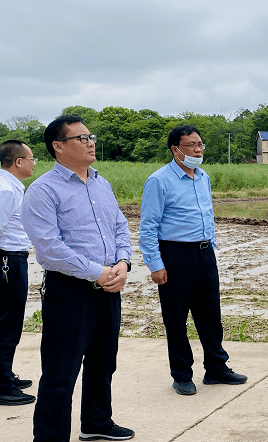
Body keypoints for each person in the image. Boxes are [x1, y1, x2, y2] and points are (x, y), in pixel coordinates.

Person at [22, 116, 135, 440]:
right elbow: (48, 246)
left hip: (109, 284)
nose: (90, 142)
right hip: (69, 289)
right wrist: (96, 272)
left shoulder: (101, 183)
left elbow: (119, 227)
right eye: (81, 138)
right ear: (58, 146)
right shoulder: (43, 189)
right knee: (61, 371)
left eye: (91, 137)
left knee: (103, 362)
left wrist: (122, 263)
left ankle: (96, 424)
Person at [139, 125, 247, 396]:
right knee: (176, 319)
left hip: (204, 253)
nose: (198, 150)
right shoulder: (159, 180)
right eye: (192, 145)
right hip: (175, 255)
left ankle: (216, 368)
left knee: (210, 315)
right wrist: (156, 264)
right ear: (176, 149)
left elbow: (206, 215)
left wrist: (211, 247)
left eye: (200, 144)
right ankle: (182, 374)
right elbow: (148, 225)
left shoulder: (202, 176)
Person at [0, 140, 36, 406]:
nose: (34, 163)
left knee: (9, 320)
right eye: (31, 158)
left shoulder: (10, 186)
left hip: (12, 258)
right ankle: (2, 385)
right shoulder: (5, 189)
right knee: (7, 322)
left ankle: (5, 375)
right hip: (7, 260)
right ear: (18, 162)